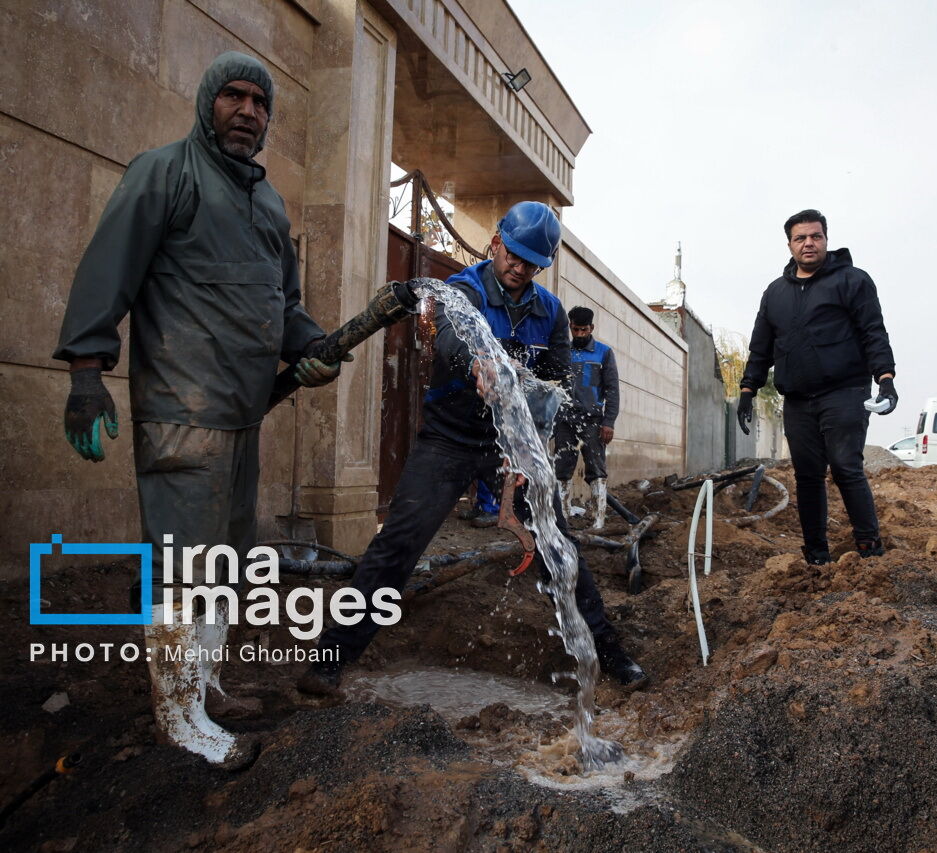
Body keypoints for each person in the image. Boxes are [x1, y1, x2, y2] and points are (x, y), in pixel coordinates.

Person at [52, 52, 345, 768]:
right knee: (183, 568)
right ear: (207, 102)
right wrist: (86, 373)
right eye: (233, 97)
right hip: (181, 412)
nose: (248, 111)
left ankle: (202, 685)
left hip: (244, 416)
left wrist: (311, 345)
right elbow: (107, 270)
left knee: (224, 563)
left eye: (259, 102)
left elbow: (284, 307)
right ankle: (178, 716)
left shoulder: (268, 204)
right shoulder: (165, 173)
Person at [297, 202, 648, 696]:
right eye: (513, 255)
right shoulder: (463, 288)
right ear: (496, 241)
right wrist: (479, 363)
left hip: (514, 446)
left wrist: (529, 445)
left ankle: (610, 654)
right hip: (450, 440)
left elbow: (557, 382)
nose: (519, 268)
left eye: (531, 263)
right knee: (397, 546)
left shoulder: (550, 314)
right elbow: (449, 339)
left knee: (559, 548)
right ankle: (330, 659)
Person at [739, 209, 898, 565]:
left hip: (844, 392)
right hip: (797, 398)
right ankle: (816, 554)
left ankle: (870, 548)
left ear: (826, 239)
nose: (808, 243)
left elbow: (874, 331)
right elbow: (761, 346)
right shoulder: (775, 293)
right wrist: (748, 390)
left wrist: (885, 378)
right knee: (807, 476)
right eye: (801, 238)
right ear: (790, 245)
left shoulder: (852, 281)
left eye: (815, 236)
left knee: (845, 467)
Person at [553, 306, 620, 529]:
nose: (579, 334)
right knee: (562, 467)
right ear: (570, 327)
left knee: (596, 469)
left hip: (592, 420)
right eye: (575, 329)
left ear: (592, 328)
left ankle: (599, 520)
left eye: (584, 330)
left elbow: (612, 389)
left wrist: (608, 422)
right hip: (564, 419)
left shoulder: (604, 352)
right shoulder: (563, 351)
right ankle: (562, 517)